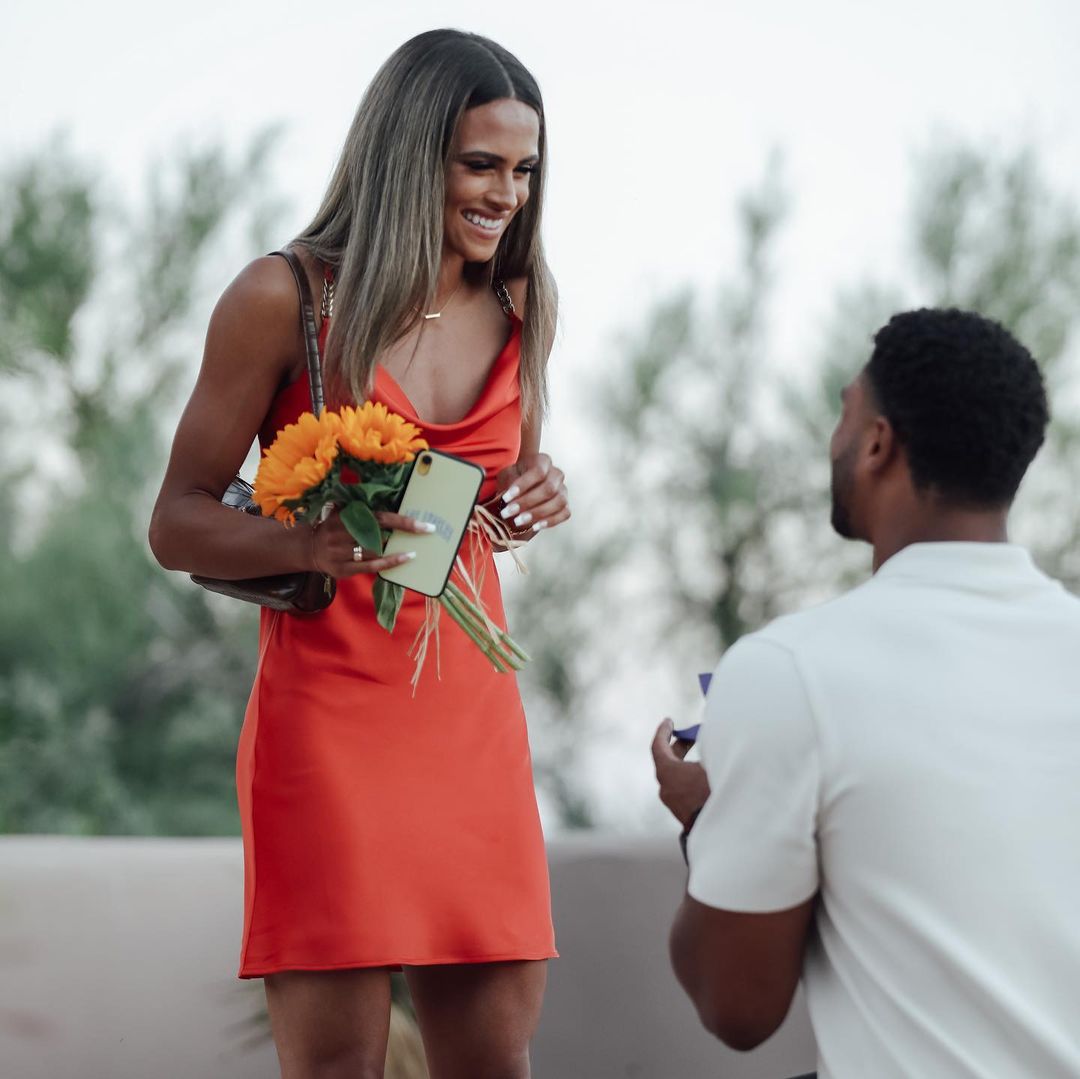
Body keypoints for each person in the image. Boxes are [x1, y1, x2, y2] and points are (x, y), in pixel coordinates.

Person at [150, 30, 569, 1079]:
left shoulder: (524, 304)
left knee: (494, 1060)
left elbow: (500, 466)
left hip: (471, 713)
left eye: (523, 170)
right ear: (409, 155)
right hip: (330, 716)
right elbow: (176, 517)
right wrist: (308, 542)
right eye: (480, 164)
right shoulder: (283, 299)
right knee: (338, 1066)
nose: (506, 195)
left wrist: (537, 486)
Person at [651, 308, 1080, 1077]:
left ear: (878, 442)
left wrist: (705, 821)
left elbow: (736, 1005)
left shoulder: (791, 668)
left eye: (845, 413)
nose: (836, 439)